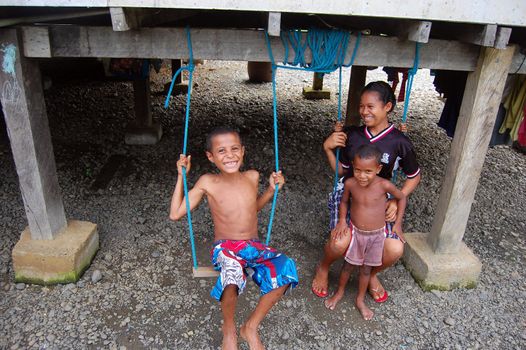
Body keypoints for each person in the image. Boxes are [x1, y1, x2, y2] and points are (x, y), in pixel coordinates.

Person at [169, 126, 298, 350]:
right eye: (221, 151)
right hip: (226, 248)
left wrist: (269, 190)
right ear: (210, 156)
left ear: (243, 151)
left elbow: (252, 209)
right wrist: (181, 177)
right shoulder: (208, 182)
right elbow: (175, 213)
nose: (229, 155)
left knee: (286, 269)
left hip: (254, 246)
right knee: (231, 275)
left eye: (234, 149)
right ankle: (228, 329)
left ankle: (250, 327)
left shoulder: (252, 176)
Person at [312, 81, 421, 301]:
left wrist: (395, 200)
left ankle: (372, 274)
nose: (364, 111)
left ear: (387, 107)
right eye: (361, 106)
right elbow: (342, 172)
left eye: (370, 107)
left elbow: (414, 176)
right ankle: (323, 267)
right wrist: (327, 147)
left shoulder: (400, 142)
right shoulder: (352, 134)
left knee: (394, 249)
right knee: (339, 242)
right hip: (348, 194)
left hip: (381, 199)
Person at [324, 144, 406, 320]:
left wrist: (397, 224)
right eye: (358, 170)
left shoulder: (385, 185)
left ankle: (360, 300)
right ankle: (339, 292)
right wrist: (341, 222)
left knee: (366, 270)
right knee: (347, 266)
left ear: (378, 168)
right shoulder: (351, 184)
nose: (362, 175)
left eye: (368, 171)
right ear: (353, 167)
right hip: (356, 232)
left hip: (376, 236)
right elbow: (344, 202)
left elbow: (402, 197)